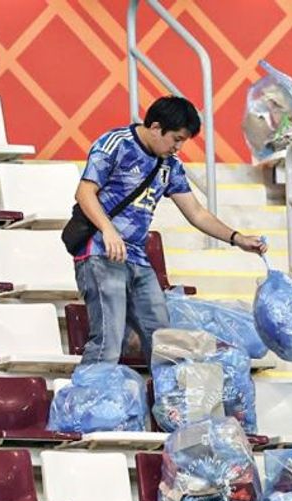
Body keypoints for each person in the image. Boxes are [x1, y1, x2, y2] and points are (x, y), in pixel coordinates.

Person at [70, 95, 267, 365]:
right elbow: (84, 192)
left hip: (137, 257)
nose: (178, 147)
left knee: (163, 343)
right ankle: (90, 403)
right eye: (176, 138)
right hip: (100, 251)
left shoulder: (169, 165)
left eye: (183, 141)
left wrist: (237, 239)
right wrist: (108, 230)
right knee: (108, 343)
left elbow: (196, 213)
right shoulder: (115, 144)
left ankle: (169, 406)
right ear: (155, 127)